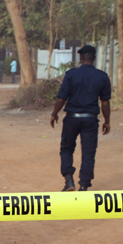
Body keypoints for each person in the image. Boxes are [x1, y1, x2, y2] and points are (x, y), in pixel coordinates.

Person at [49, 45, 111, 192]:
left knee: (66, 149)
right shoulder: (102, 76)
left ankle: (69, 180)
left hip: (71, 119)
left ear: (80, 58)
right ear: (94, 58)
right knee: (88, 152)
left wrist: (54, 113)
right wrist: (107, 121)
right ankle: (83, 185)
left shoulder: (71, 75)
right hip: (91, 120)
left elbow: (61, 99)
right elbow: (105, 103)